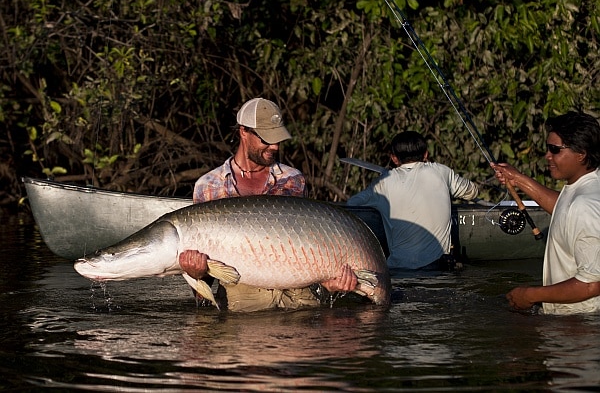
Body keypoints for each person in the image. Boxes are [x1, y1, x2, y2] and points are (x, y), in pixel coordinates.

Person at [180, 97, 357, 311]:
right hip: (243, 296)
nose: (274, 146)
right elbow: (203, 292)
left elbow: (305, 249)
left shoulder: (293, 179)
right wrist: (196, 273)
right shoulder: (209, 186)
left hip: (296, 294)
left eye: (278, 139)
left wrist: (330, 284)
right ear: (243, 132)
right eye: (266, 139)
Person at [493, 111, 600, 315]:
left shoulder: (585, 205)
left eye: (555, 150)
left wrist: (530, 295)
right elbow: (564, 210)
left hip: (581, 324)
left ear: (581, 154)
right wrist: (518, 179)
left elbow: (591, 284)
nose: (547, 156)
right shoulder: (587, 186)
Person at [347, 131, 479, 270]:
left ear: (394, 158)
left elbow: (352, 204)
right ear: (426, 154)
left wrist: (384, 180)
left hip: (399, 271)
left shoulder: (383, 183)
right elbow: (472, 191)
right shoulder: (442, 172)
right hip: (438, 271)